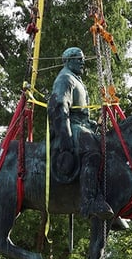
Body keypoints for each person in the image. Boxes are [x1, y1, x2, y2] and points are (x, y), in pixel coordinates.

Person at [48, 46, 120, 223]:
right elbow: (59, 107)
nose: (82, 61)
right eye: (77, 58)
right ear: (67, 60)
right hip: (71, 126)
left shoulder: (75, 79)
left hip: (82, 125)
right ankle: (89, 201)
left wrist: (92, 124)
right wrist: (65, 137)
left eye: (82, 58)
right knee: (92, 152)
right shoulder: (65, 78)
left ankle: (109, 200)